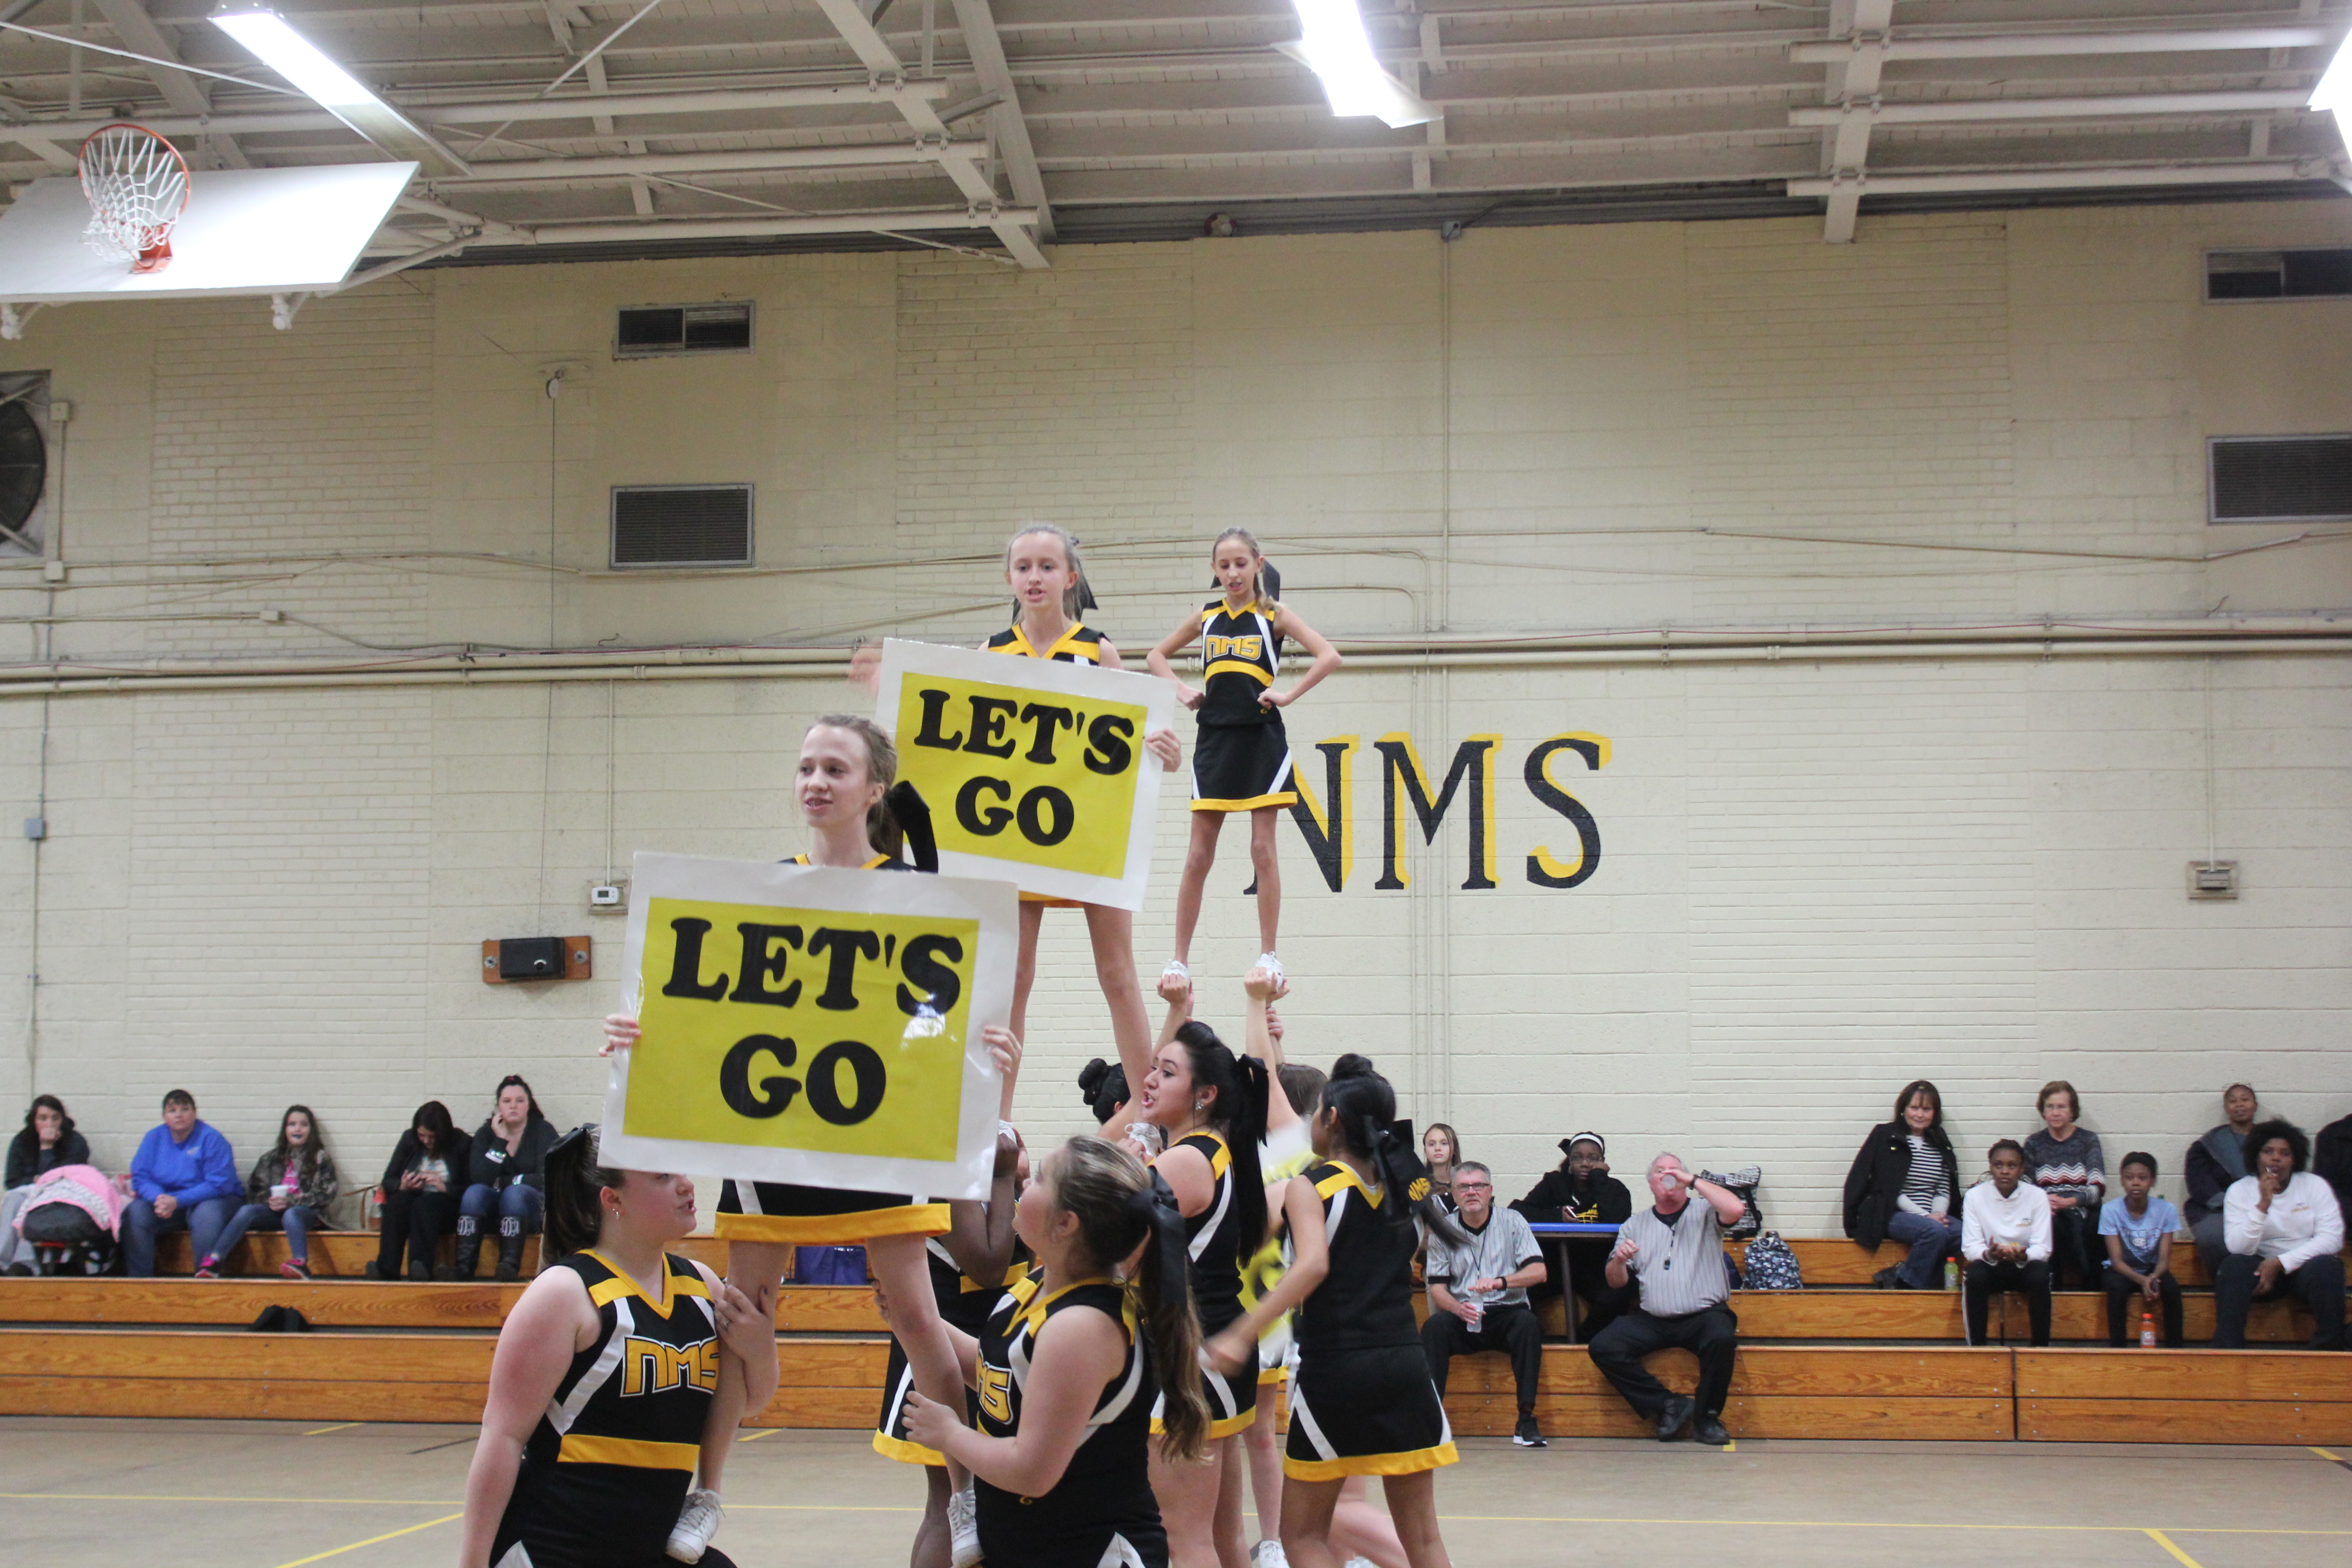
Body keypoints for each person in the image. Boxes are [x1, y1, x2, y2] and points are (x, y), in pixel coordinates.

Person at [603, 713, 1020, 1568]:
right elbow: (707, 1013)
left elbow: (932, 1026)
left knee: (916, 1313)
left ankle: (968, 1491)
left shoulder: (913, 891)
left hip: (875, 1135)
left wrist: (987, 1057)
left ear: (874, 789)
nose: (816, 781)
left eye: (835, 767)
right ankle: (706, 1493)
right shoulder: (763, 893)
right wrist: (642, 1035)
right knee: (741, 1316)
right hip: (775, 1138)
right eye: (804, 768)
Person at [458, 1124, 775, 1568]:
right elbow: (502, 1438)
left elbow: (748, 1401)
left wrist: (761, 1349)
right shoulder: (565, 1293)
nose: (686, 1184)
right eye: (662, 1177)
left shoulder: (701, 1285)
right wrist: (472, 1562)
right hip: (553, 1549)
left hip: (646, 1548)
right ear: (614, 1200)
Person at [1204, 1054, 1461, 1568]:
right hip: (1407, 1365)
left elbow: (1314, 1266)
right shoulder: (1407, 1192)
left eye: (1315, 1113)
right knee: (1425, 1541)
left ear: (1332, 1120)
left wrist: (1241, 1333)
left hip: (1338, 1367)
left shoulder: (1313, 1186)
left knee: (1301, 1536)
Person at [903, 1135, 1205, 1568]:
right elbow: (998, 1375)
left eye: (1041, 1177)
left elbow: (1031, 1471)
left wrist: (952, 1434)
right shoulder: (1038, 1286)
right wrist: (911, 1315)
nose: (1026, 1182)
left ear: (1066, 1224)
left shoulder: (1082, 1327)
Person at [978, 525, 1182, 1102]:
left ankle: (1152, 1115)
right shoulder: (991, 654)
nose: (1034, 577)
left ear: (1070, 578)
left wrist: (1165, 752)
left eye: (1047, 566)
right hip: (1015, 830)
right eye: (1023, 567)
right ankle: (999, 1120)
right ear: (1010, 578)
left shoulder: (1098, 650)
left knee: (1118, 974)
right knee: (1013, 980)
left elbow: (1135, 740)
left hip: (1092, 827)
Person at [1147, 529, 1341, 995]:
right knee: (1198, 854)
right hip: (1214, 737)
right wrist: (1181, 689)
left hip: (1260, 737)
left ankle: (1269, 954)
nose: (1233, 573)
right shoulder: (1207, 616)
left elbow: (1329, 655)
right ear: (1215, 570)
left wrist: (1288, 695)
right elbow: (1156, 655)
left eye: (1241, 563)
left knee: (1262, 849)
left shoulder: (1272, 615)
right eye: (1224, 565)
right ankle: (1179, 960)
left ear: (1258, 563)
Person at [1132, 967, 1277, 1568]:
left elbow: (1105, 1249)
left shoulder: (1185, 1162)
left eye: (1167, 1072)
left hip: (1188, 1359)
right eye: (1153, 1067)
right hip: (1210, 1347)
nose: (1149, 1079)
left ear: (1205, 1094)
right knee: (1217, 1539)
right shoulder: (1212, 1153)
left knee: (1180, 1537)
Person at [873, 1125, 1024, 1568]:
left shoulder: (986, 1144)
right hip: (938, 1348)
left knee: (962, 1510)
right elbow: (989, 1263)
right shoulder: (944, 1158)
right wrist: (1005, 1178)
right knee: (950, 1508)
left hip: (976, 1345)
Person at [1586, 1154, 1746, 1446]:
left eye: (1674, 1171)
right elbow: (1615, 1282)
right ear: (1651, 1184)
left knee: (1721, 1337)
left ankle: (1707, 1418)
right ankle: (1668, 1405)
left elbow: (1736, 1209)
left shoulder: (1705, 1211)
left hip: (1704, 1314)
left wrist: (1695, 1181)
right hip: (1653, 1318)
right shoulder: (1634, 1226)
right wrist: (1619, 1261)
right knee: (1603, 1346)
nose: (1668, 1175)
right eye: (1660, 1171)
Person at [1419, 1161, 1547, 1449]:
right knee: (1434, 1328)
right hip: (1464, 1313)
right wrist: (1456, 1308)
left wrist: (1500, 1282)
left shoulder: (1513, 1221)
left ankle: (1526, 1419)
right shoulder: (1443, 1229)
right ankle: (1432, 1420)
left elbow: (1539, 1272)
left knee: (1529, 1325)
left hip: (1507, 1311)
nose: (1472, 1192)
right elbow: (1437, 1288)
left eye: (1479, 1186)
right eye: (1463, 1187)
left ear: (1490, 1191)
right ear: (1453, 1194)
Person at [2213, 1119, 2346, 1352]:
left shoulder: (2314, 1186)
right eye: (2268, 1152)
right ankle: (2229, 1351)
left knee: (2329, 1267)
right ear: (2256, 1156)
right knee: (2233, 1266)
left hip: (2305, 1269)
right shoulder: (2240, 1191)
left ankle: (2328, 1350)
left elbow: (2332, 1238)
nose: (2276, 1159)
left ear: (2294, 1160)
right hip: (2261, 1273)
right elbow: (2238, 1247)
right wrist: (2263, 1205)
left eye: (2285, 1153)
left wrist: (2281, 1263)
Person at [1511, 1132, 1634, 1337]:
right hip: (1555, 1263)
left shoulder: (1614, 1189)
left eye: (1593, 1158)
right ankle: (1538, 1340)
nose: (1585, 1163)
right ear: (1569, 1161)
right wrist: (1555, 1216)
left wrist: (1599, 1178)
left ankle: (1586, 1342)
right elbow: (1517, 1212)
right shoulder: (1553, 1184)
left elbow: (1617, 1218)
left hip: (1596, 1265)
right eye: (1578, 1158)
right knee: (1518, 1290)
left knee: (1618, 1296)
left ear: (1603, 1162)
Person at [1843, 1080, 1961, 1291]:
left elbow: (1943, 1188)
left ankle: (1900, 1276)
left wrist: (1938, 1215)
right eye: (1914, 1108)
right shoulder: (1885, 1135)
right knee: (1934, 1231)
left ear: (1935, 1113)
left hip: (1932, 1217)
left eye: (1926, 1109)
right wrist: (1927, 1218)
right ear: (1903, 1109)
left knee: (1962, 1233)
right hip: (1892, 1213)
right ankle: (1906, 1286)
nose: (1919, 1114)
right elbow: (1890, 1189)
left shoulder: (1940, 1142)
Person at [203, 1105, 340, 1280]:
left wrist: (292, 1201)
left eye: (304, 1125)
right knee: (246, 1211)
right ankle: (215, 1261)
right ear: (285, 1130)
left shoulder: (321, 1158)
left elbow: (327, 1194)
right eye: (292, 1124)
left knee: (292, 1214)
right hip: (274, 1213)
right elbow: (254, 1190)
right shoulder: (270, 1158)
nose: (298, 1129)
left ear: (311, 1130)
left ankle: (300, 1262)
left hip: (306, 1214)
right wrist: (270, 1201)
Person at [123, 1089, 241, 1278]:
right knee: (136, 1212)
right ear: (164, 1117)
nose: (178, 1115)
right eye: (172, 1110)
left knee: (207, 1215)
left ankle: (206, 1278)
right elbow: (141, 1178)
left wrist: (177, 1201)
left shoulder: (212, 1138)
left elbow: (219, 1184)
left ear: (195, 1113)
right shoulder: (153, 1138)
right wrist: (159, 1198)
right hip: (168, 1203)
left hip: (213, 1199)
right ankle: (140, 1282)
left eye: (185, 1109)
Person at [459, 1074, 559, 1281]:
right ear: (498, 1108)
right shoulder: (486, 1134)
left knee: (514, 1193)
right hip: (494, 1213)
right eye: (507, 1101)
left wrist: (506, 1182)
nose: (513, 1106)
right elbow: (479, 1179)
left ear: (529, 1105)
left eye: (520, 1101)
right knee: (474, 1193)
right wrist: (500, 1142)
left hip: (532, 1209)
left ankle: (509, 1266)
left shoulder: (543, 1131)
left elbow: (546, 1178)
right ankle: (464, 1268)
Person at [1961, 1139, 2053, 1348]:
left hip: (2024, 1266)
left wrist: (2024, 1256)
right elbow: (1971, 1246)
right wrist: (1989, 1255)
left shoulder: (2037, 1196)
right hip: (1991, 1267)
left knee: (2041, 1273)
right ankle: (1977, 1348)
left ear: (2021, 1169)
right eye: (1998, 1165)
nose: (2005, 1171)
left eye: (2012, 1166)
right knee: (1973, 1273)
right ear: (1991, 1166)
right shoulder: (1975, 1196)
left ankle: (2040, 1349)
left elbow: (2043, 1248)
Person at [368, 1101, 470, 1281]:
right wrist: (403, 1185)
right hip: (414, 1200)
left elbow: (472, 1187)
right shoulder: (409, 1139)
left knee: (425, 1204)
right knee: (398, 1202)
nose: (426, 1141)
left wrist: (444, 1187)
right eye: (422, 1136)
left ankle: (420, 1265)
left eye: (432, 1137)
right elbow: (388, 1179)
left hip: (446, 1206)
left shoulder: (462, 1143)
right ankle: (386, 1267)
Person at [2023, 1080, 2105, 1290]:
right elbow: (2026, 1186)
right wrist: (2045, 1203)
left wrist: (2070, 1202)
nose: (2056, 1112)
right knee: (2053, 1225)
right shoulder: (2034, 1143)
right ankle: (2053, 1288)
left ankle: (2091, 1287)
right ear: (2043, 1111)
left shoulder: (2088, 1140)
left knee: (2095, 1225)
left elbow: (2098, 1186)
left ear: (2073, 1111)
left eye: (2062, 1107)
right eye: (2050, 1107)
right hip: (2049, 1210)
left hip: (2083, 1208)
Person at [2099, 1152, 2183, 1347]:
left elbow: (2164, 1260)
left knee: (2172, 1289)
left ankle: (2176, 1349)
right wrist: (2142, 1281)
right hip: (2122, 1270)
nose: (2136, 1183)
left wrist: (2152, 1278)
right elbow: (2117, 1261)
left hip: (2153, 1269)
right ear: (2122, 1180)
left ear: (2152, 1181)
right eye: (2130, 1178)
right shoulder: (2110, 1210)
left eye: (2142, 1178)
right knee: (2117, 1289)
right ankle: (2117, 1348)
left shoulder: (2167, 1210)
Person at [3, 1095, 90, 1274]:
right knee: (15, 1198)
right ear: (34, 1121)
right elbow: (12, 1181)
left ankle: (25, 1264)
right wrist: (34, 1180)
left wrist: (47, 1147)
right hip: (27, 1192)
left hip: (62, 1197)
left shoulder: (76, 1142)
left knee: (36, 1201)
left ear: (62, 1120)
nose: (49, 1124)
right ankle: (2, 1260)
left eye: (55, 1118)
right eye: (43, 1118)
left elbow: (62, 1179)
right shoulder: (22, 1141)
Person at [2185, 1084, 2260, 1276]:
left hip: (2267, 1204)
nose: (2239, 1105)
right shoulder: (2208, 1146)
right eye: (2233, 1101)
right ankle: (2226, 1280)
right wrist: (2234, 1204)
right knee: (2213, 1237)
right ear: (2227, 1109)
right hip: (2222, 1208)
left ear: (2255, 1105)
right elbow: (2200, 1183)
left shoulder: (2272, 1141)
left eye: (2245, 1100)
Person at [1419, 1125, 1459, 1211]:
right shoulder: (1419, 1185)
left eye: (1444, 1143)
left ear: (1455, 1149)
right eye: (1432, 1144)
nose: (1437, 1148)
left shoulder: (1466, 1183)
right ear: (1426, 1151)